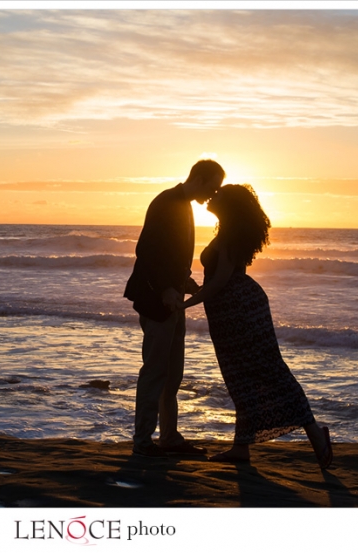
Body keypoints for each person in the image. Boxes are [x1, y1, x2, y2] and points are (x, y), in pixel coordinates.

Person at [180, 184, 333, 468]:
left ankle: (315, 434)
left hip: (240, 310)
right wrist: (194, 291)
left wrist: (187, 304)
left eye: (219, 194)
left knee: (269, 371)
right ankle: (241, 447)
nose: (213, 196)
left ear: (229, 205)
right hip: (228, 311)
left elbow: (221, 281)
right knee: (239, 376)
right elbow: (217, 281)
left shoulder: (229, 237)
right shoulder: (226, 233)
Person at [124, 159, 225, 457]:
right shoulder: (167, 202)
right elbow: (146, 252)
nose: (213, 194)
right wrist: (166, 287)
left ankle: (169, 437)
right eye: (213, 187)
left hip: (172, 298)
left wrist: (183, 281)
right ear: (200, 178)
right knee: (155, 371)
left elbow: (170, 255)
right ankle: (143, 441)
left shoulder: (184, 205)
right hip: (157, 301)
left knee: (173, 373)